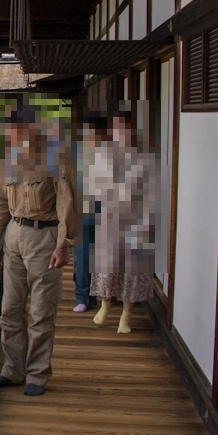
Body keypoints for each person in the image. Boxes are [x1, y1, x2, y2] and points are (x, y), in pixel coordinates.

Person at [0, 105, 75, 396]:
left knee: (40, 311)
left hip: (43, 236)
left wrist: (63, 244)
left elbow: (67, 205)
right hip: (14, 234)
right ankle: (12, 369)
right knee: (10, 308)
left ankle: (37, 374)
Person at [88, 109, 157, 334]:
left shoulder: (144, 156)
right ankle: (105, 304)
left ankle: (126, 315)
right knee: (107, 266)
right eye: (117, 128)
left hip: (139, 218)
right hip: (111, 216)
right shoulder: (102, 154)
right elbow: (96, 187)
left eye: (126, 128)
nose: (122, 132)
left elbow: (150, 190)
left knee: (134, 270)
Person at [73, 113, 105, 313]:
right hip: (83, 209)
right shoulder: (76, 152)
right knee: (83, 255)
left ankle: (106, 295)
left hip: (108, 209)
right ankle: (83, 296)